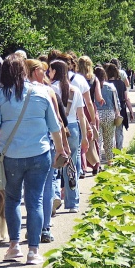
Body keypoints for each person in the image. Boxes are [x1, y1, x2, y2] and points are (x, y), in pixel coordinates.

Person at [0, 54, 66, 265]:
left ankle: (14, 247)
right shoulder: (41, 92)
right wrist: (59, 150)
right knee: (36, 200)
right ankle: (33, 250)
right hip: (40, 154)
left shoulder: (0, 96)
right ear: (24, 71)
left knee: (13, 200)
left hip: (11, 155)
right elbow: (55, 127)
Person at [26, 59, 70, 243]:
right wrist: (64, 146)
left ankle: (31, 228)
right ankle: (43, 228)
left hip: (21, 146)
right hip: (45, 144)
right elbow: (59, 121)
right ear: (35, 71)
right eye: (43, 70)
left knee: (26, 192)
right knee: (44, 189)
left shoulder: (16, 92)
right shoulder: (48, 91)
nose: (45, 74)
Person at [48, 60, 88, 212]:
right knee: (71, 165)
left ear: (55, 72)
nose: (48, 74)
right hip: (73, 128)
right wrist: (85, 136)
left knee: (54, 166)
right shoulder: (75, 90)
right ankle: (72, 203)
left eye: (50, 71)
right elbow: (81, 115)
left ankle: (55, 195)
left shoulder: (50, 89)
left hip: (55, 129)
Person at [94, 66, 120, 166]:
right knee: (109, 140)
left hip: (97, 114)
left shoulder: (93, 86)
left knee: (98, 140)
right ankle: (110, 162)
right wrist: (118, 113)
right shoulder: (111, 87)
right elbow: (116, 103)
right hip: (109, 114)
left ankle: (98, 163)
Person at [106, 63, 134, 150]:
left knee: (109, 132)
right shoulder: (121, 83)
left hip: (108, 110)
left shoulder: (105, 84)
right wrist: (131, 111)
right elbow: (126, 98)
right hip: (120, 110)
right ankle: (119, 150)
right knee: (119, 131)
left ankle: (110, 151)